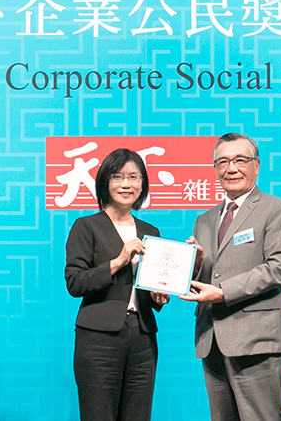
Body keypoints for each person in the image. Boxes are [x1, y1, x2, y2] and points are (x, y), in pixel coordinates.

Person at [181, 133, 281, 421]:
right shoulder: (204, 219)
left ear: (256, 165)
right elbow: (206, 276)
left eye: (240, 160)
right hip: (211, 338)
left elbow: (279, 266)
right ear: (215, 169)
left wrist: (223, 292)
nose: (231, 168)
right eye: (222, 162)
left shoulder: (276, 209)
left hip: (256, 339)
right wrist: (195, 264)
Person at [65, 148, 169, 421]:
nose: (126, 184)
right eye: (118, 176)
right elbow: (75, 283)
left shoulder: (151, 232)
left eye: (134, 177)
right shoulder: (86, 226)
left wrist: (158, 296)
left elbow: (149, 286)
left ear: (142, 184)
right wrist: (119, 261)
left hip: (143, 337)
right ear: (105, 182)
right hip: (98, 338)